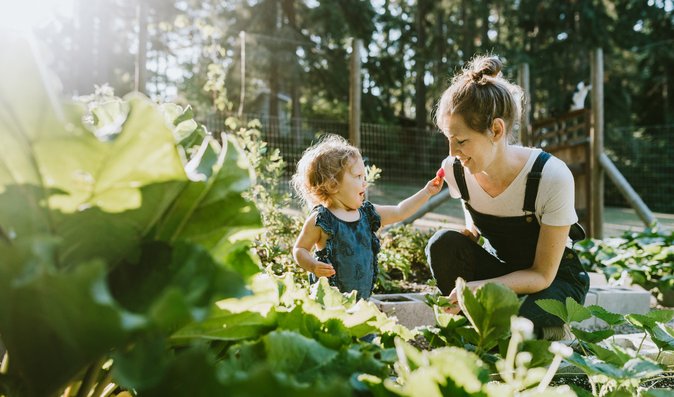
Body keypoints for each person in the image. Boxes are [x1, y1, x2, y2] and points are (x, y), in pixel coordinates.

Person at [427, 55, 589, 340]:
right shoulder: (457, 169)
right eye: (448, 139)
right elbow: (473, 206)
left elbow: (541, 275)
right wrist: (472, 230)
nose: (452, 152)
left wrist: (483, 288)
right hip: (504, 270)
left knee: (515, 316)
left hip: (552, 283)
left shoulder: (551, 176)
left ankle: (549, 332)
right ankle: (482, 329)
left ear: (497, 130)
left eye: (462, 141)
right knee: (443, 244)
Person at [292, 134, 443, 300]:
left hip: (362, 300)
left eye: (364, 177)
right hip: (330, 301)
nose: (365, 182)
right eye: (358, 177)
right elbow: (300, 249)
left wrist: (427, 192)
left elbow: (400, 211)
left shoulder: (367, 214)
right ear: (333, 184)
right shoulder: (321, 220)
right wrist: (312, 265)